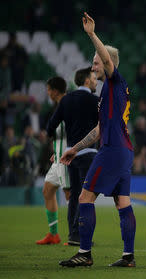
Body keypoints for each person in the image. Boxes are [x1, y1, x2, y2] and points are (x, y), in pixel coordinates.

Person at [59, 12, 135, 268]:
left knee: (84, 198)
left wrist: (92, 34)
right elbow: (99, 129)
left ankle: (84, 253)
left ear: (108, 63)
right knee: (122, 202)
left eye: (96, 63)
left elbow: (105, 57)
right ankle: (128, 257)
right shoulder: (110, 93)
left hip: (112, 150)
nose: (93, 66)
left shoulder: (115, 82)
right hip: (123, 150)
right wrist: (75, 148)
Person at [47, 67, 99, 246]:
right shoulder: (95, 100)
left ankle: (73, 235)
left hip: (70, 155)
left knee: (76, 195)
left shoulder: (66, 100)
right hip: (88, 153)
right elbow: (103, 125)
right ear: (86, 80)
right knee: (87, 196)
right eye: (93, 78)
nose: (95, 81)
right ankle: (83, 235)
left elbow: (50, 126)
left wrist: (59, 146)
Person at [35, 77, 70, 245]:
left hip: (66, 158)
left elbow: (73, 131)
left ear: (55, 91)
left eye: (49, 89)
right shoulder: (57, 108)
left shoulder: (68, 106)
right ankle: (54, 234)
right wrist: (55, 151)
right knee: (47, 191)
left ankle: (78, 236)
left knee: (70, 195)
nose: (47, 93)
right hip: (58, 158)